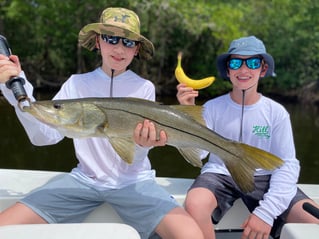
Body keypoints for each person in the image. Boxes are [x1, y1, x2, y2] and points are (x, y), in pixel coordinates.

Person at [0, 7, 203, 239]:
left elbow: (132, 155)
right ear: (98, 42)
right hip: (83, 181)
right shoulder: (76, 84)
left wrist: (144, 145)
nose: (118, 48)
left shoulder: (144, 88)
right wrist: (14, 88)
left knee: (190, 235)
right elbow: (44, 137)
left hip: (134, 183)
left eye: (127, 42)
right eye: (110, 38)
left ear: (136, 49)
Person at [176, 36, 319, 239]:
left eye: (252, 63)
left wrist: (266, 213)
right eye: (236, 63)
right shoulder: (211, 108)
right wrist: (188, 114)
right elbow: (198, 154)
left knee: (314, 222)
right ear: (228, 70)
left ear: (263, 69)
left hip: (264, 176)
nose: (244, 70)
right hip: (220, 174)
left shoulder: (276, 112)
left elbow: (287, 164)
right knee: (194, 203)